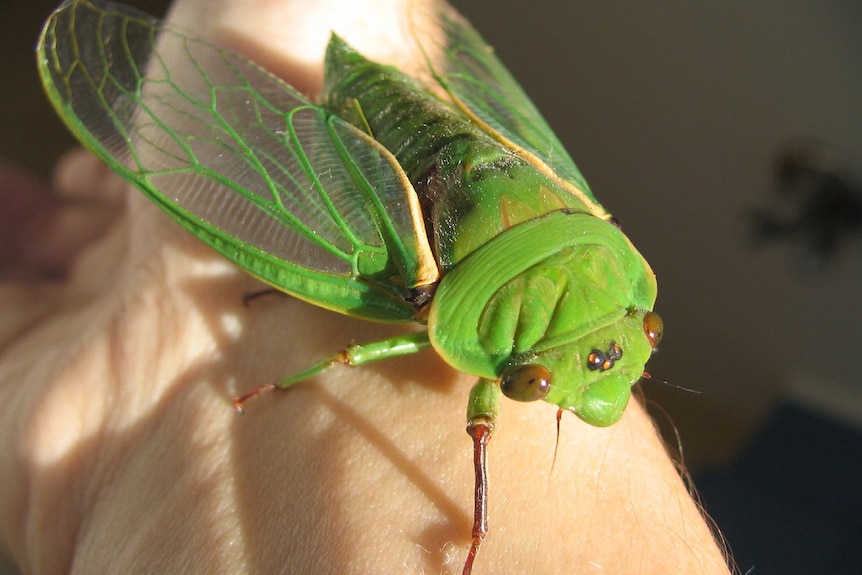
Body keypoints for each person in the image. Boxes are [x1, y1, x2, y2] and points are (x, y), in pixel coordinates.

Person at [0, 0, 732, 572]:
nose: (603, 381)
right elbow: (357, 353)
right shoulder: (423, 296)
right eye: (532, 381)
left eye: (531, 381)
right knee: (335, 322)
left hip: (463, 134)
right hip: (374, 136)